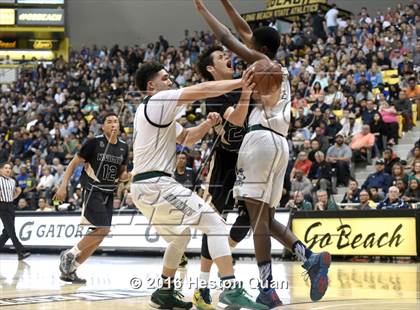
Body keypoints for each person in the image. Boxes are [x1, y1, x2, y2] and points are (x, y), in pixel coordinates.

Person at [194, 0, 331, 305]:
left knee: (257, 221)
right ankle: (308, 258)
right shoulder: (274, 66)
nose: (244, 42)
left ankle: (267, 289)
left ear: (259, 47)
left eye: (251, 41)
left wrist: (204, 11)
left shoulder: (262, 64)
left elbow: (228, 37)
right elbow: (243, 31)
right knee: (265, 218)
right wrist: (225, 2)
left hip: (260, 142)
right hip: (280, 143)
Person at [130, 62, 265, 309]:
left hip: (141, 188)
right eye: (165, 78)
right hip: (156, 183)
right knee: (214, 224)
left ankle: (164, 291)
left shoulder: (152, 113)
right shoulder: (159, 101)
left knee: (180, 237)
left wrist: (207, 124)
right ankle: (230, 288)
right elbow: (203, 89)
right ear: (152, 85)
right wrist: (240, 83)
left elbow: (186, 138)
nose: (170, 81)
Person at [194, 45, 255, 309]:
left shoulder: (240, 85)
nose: (227, 58)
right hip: (225, 164)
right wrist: (247, 92)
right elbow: (238, 121)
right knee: (214, 224)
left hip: (249, 159)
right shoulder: (214, 95)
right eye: (220, 57)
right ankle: (203, 287)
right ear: (211, 68)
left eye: (225, 55)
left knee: (251, 215)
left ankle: (224, 255)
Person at [55, 112, 130, 283]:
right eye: (109, 122)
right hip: (92, 189)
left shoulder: (124, 147)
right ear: (103, 127)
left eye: (116, 122)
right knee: (103, 229)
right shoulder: (94, 142)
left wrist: (130, 175)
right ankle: (69, 254)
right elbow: (74, 163)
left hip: (108, 193)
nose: (113, 124)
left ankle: (71, 269)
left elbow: (121, 174)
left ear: (119, 127)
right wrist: (63, 185)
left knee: (101, 234)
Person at [0, 162, 31, 260]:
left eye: (9, 168)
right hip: (2, 206)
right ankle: (21, 251)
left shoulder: (13, 181)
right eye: (5, 168)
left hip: (10, 205)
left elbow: (16, 192)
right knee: (11, 231)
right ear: (1, 170)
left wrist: (15, 195)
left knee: (7, 233)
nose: (8, 170)